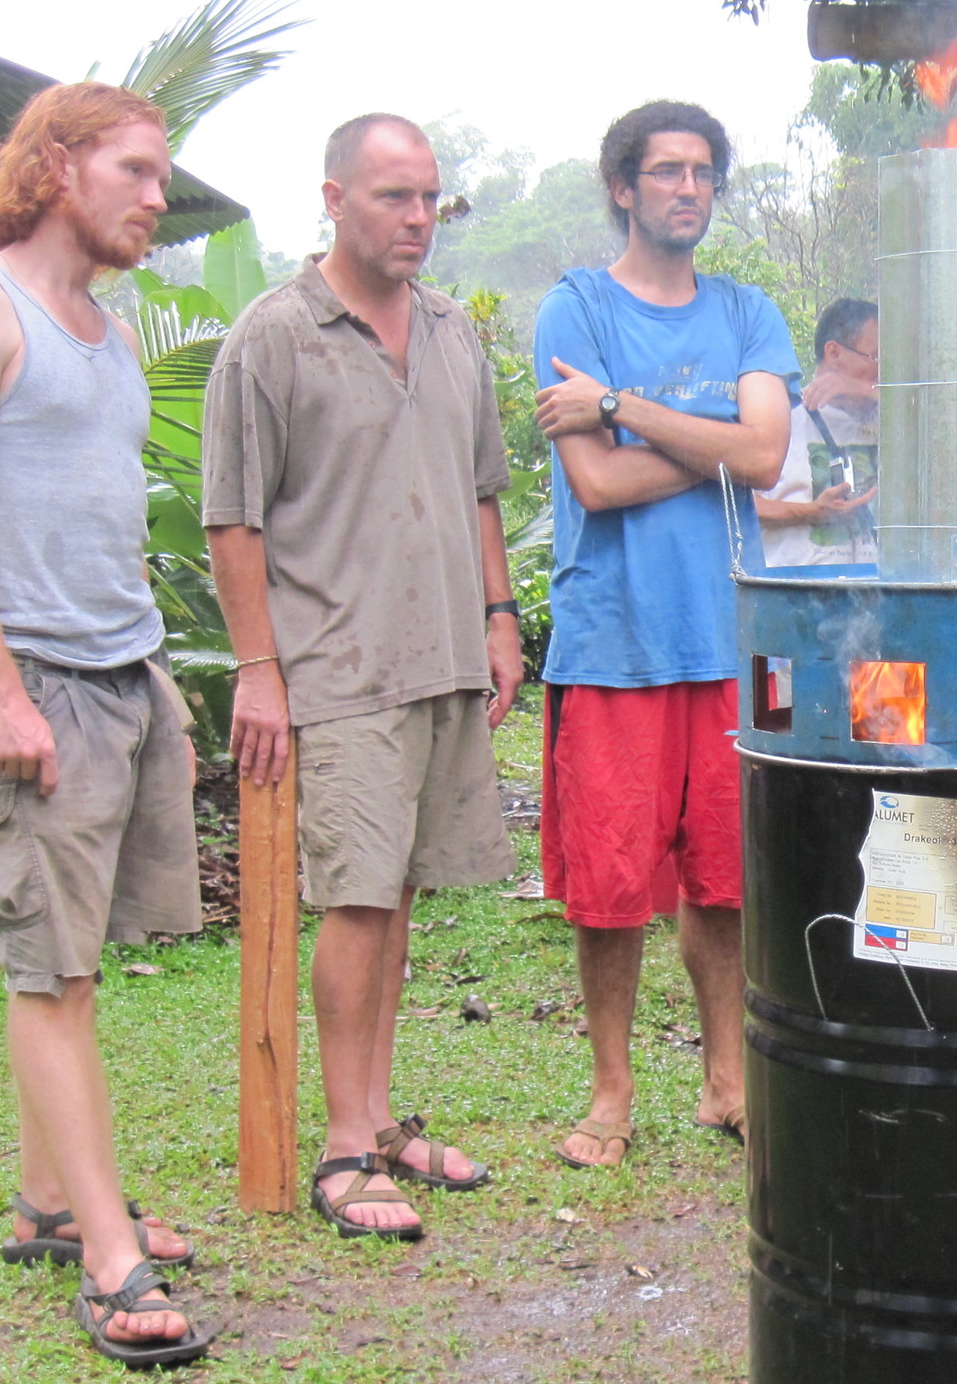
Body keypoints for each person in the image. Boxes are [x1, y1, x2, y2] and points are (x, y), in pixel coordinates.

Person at [0, 83, 211, 1365]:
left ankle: (45, 1203)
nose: (157, 197)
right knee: (56, 979)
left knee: (78, 958)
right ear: (60, 166)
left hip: (116, 673)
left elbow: (97, 511)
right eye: (136, 172)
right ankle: (104, 1252)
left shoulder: (106, 327)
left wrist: (155, 679)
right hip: (28, 679)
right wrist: (0, 692)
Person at [204, 114, 523, 1242]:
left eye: (432, 198)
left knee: (399, 897)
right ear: (332, 198)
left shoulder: (448, 332)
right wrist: (257, 672)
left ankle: (382, 1121)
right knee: (354, 899)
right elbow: (232, 522)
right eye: (395, 197)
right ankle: (344, 1148)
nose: (420, 219)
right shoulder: (274, 338)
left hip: (441, 655)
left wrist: (497, 615)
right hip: (336, 664)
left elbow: (482, 487)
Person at [528, 102, 795, 1166]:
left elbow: (771, 456)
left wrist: (627, 408)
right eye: (666, 171)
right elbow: (592, 482)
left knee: (728, 877)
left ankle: (727, 1080)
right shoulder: (576, 308)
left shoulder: (745, 310)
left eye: (703, 174)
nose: (688, 189)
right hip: (615, 641)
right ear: (623, 188)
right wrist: (718, 442)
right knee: (609, 885)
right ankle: (610, 1092)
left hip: (730, 637)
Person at [755, 295, 878, 566]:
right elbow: (741, 507)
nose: (885, 370)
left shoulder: (897, 421)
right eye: (877, 357)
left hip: (877, 596)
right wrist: (813, 512)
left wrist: (863, 390)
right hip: (799, 594)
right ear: (833, 352)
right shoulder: (781, 418)